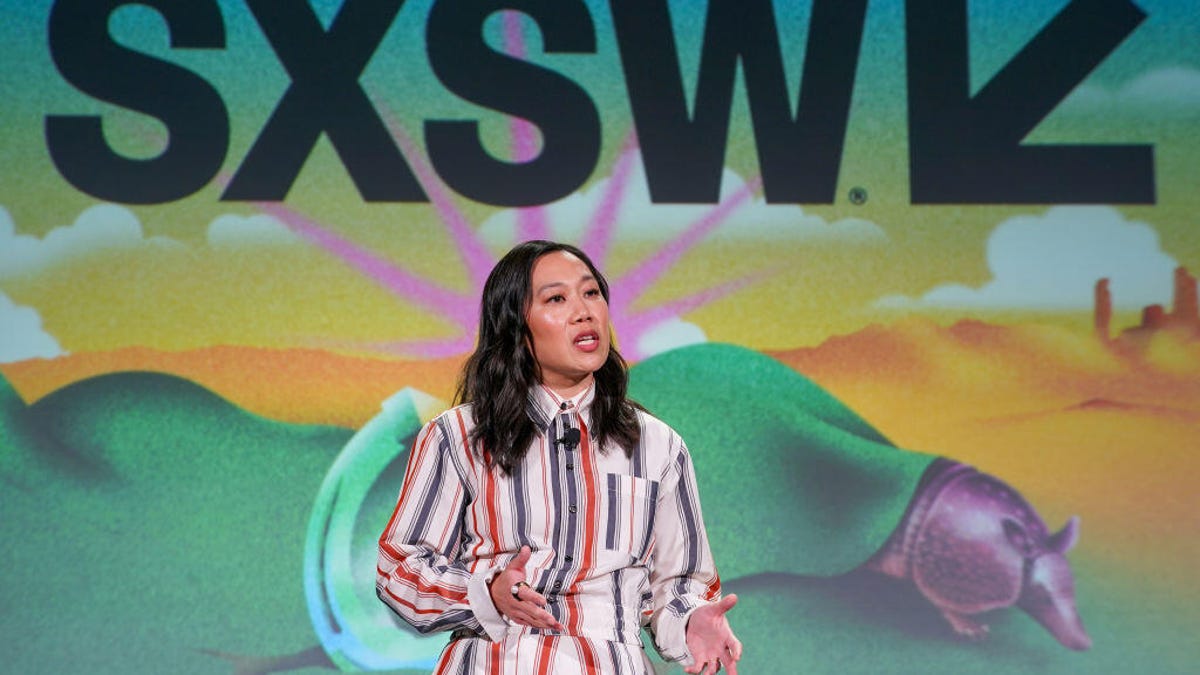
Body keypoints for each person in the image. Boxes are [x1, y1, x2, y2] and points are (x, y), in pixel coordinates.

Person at [376, 240, 742, 674]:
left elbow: (678, 583)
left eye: (591, 293)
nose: (584, 312)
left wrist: (690, 621)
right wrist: (487, 592)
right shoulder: (459, 436)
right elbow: (399, 571)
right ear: (516, 328)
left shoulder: (658, 445)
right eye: (556, 299)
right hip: (499, 658)